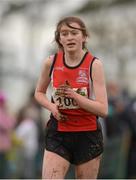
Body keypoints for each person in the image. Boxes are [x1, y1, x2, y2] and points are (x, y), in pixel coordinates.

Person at [35, 16, 108, 179]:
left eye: (74, 33)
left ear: (84, 37)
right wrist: (52, 107)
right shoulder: (51, 62)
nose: (69, 37)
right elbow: (39, 93)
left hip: (87, 134)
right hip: (59, 132)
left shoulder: (94, 65)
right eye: (64, 34)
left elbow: (103, 109)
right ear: (59, 39)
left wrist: (75, 97)